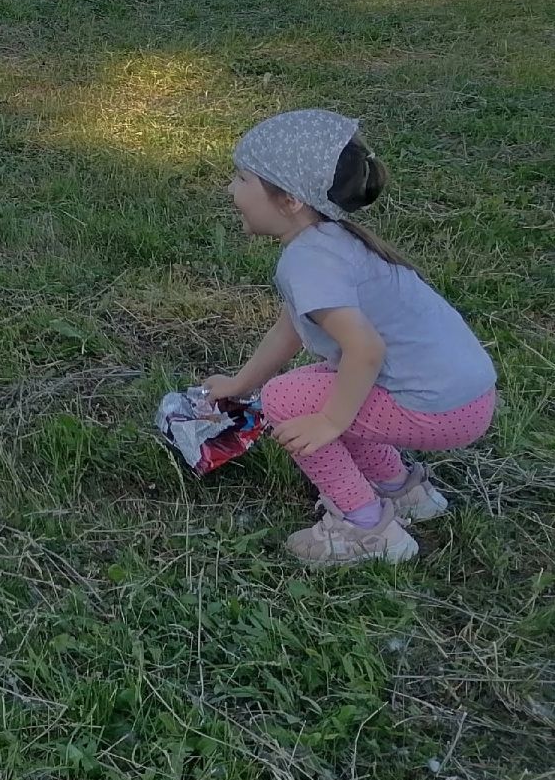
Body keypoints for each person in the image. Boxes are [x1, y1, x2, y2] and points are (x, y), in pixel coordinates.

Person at [204, 110, 497, 567]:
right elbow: (292, 328)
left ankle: (365, 530)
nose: (231, 190)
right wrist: (240, 385)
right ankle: (402, 493)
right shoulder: (332, 240)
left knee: (289, 398)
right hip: (465, 395)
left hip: (439, 407)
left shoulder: (309, 262)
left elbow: (365, 350)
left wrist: (330, 422)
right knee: (329, 386)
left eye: (242, 178)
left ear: (291, 200)